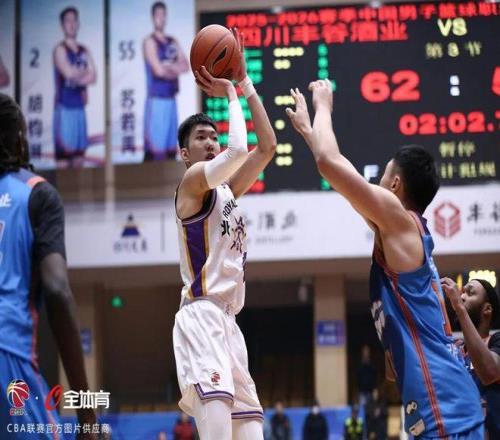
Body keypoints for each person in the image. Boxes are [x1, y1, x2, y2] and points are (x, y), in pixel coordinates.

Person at [286, 80, 484, 438]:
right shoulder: (396, 234)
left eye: (382, 176)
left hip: (446, 406)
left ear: (394, 186)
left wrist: (323, 105)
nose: (374, 184)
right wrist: (308, 132)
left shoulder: (399, 220)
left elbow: (329, 163)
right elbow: (341, 178)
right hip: (439, 405)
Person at [172, 29, 276, 440]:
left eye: (215, 136)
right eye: (202, 138)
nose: (212, 142)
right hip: (201, 317)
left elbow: (267, 147)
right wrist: (230, 91)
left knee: (251, 433)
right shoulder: (191, 185)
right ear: (185, 154)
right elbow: (238, 151)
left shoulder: (226, 190)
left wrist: (246, 82)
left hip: (229, 323)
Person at [0, 93, 97, 437]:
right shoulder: (35, 193)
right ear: (19, 139)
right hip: (7, 352)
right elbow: (56, 290)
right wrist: (87, 414)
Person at [441, 277, 500, 438]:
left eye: (470, 293)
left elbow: (490, 372)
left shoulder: (496, 341)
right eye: (462, 293)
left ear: (487, 309)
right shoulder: (454, 350)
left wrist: (459, 308)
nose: (461, 296)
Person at [143, 1, 189, 161]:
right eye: (158, 15)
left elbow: (185, 66)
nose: (161, 18)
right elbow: (158, 71)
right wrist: (173, 68)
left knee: (171, 152)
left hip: (171, 101)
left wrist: (168, 67)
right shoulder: (149, 42)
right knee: (155, 153)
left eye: (163, 15)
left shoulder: (172, 41)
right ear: (152, 17)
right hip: (157, 102)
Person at [53, 6, 96, 167]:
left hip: (80, 110)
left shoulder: (84, 50)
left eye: (74, 20)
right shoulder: (59, 49)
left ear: (78, 24)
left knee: (79, 160)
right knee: (63, 161)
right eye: (67, 21)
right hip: (65, 110)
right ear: (62, 25)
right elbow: (68, 73)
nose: (71, 24)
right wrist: (83, 73)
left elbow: (93, 76)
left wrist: (77, 75)